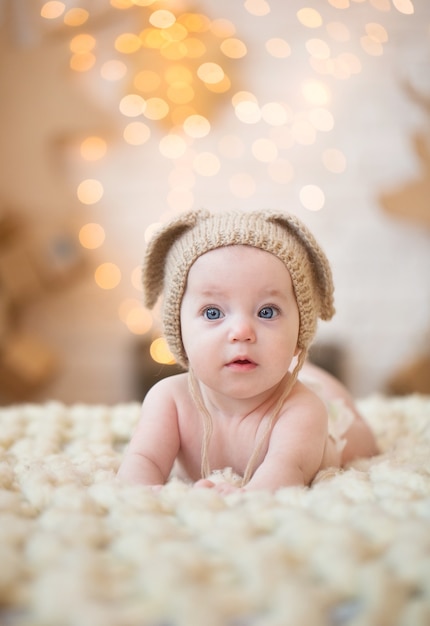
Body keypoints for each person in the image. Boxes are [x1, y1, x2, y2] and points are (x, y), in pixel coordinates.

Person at [118, 209, 378, 492]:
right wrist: (145, 491)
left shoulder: (303, 410)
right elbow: (143, 460)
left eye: (267, 312)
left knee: (361, 439)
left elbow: (285, 470)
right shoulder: (169, 400)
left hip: (329, 425)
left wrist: (243, 497)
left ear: (300, 332)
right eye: (213, 312)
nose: (242, 331)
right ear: (178, 329)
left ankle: (318, 380)